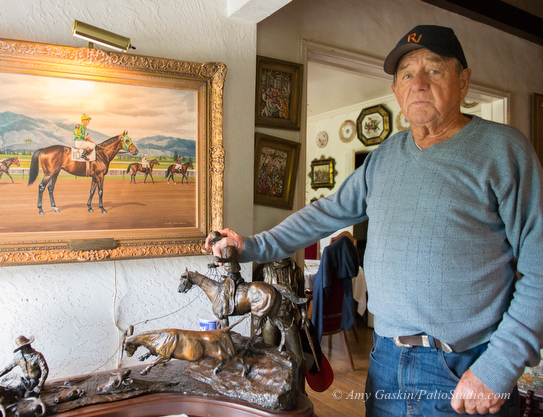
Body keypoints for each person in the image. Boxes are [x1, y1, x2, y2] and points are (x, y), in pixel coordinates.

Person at [207, 25, 543, 416]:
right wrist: (253, 245)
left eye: (434, 70)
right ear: (397, 91)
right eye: (405, 75)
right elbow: (327, 211)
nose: (418, 83)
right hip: (385, 363)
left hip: (463, 366)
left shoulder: (503, 150)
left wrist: (498, 367)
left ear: (463, 81)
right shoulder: (386, 155)